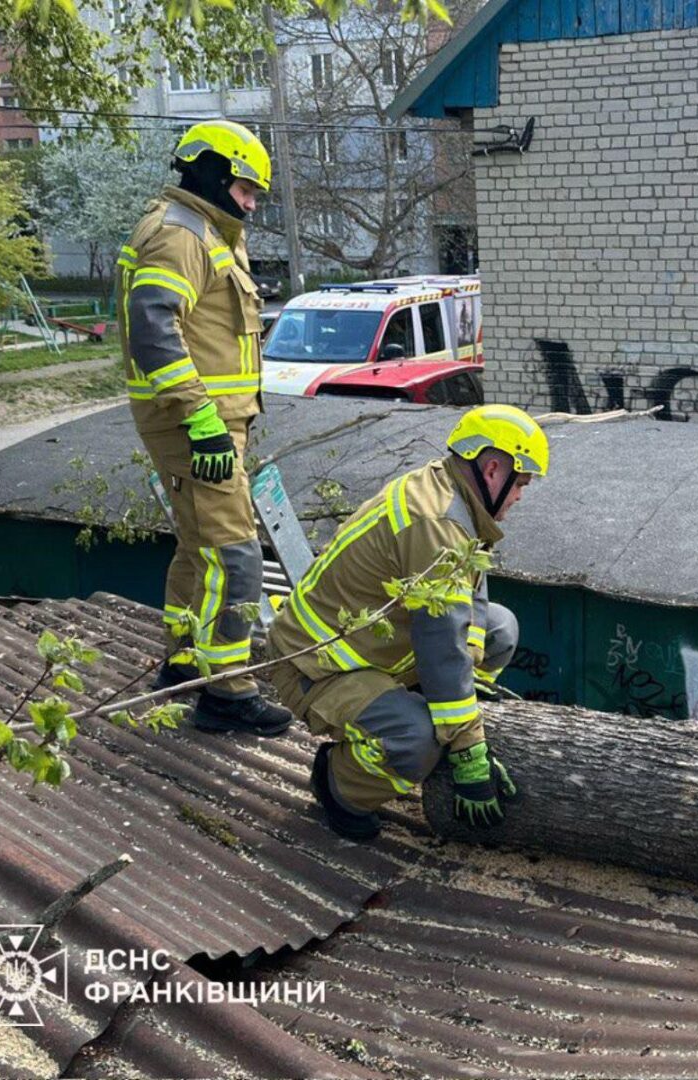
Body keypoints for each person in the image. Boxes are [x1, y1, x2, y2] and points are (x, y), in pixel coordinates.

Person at [265, 405, 547, 841]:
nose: (520, 497)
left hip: (378, 646)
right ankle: (338, 784)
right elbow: (440, 645)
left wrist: (467, 671)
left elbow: (470, 597)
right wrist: (468, 747)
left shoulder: (455, 495)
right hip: (318, 665)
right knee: (416, 738)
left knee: (499, 630)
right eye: (521, 484)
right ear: (493, 469)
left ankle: (432, 714)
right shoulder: (436, 522)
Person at [117, 119, 291, 738]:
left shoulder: (205, 229)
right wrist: (203, 421)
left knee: (197, 547)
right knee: (236, 556)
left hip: (204, 422)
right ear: (215, 173)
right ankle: (228, 690)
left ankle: (184, 661)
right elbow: (154, 330)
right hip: (196, 425)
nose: (251, 202)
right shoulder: (181, 234)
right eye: (246, 188)